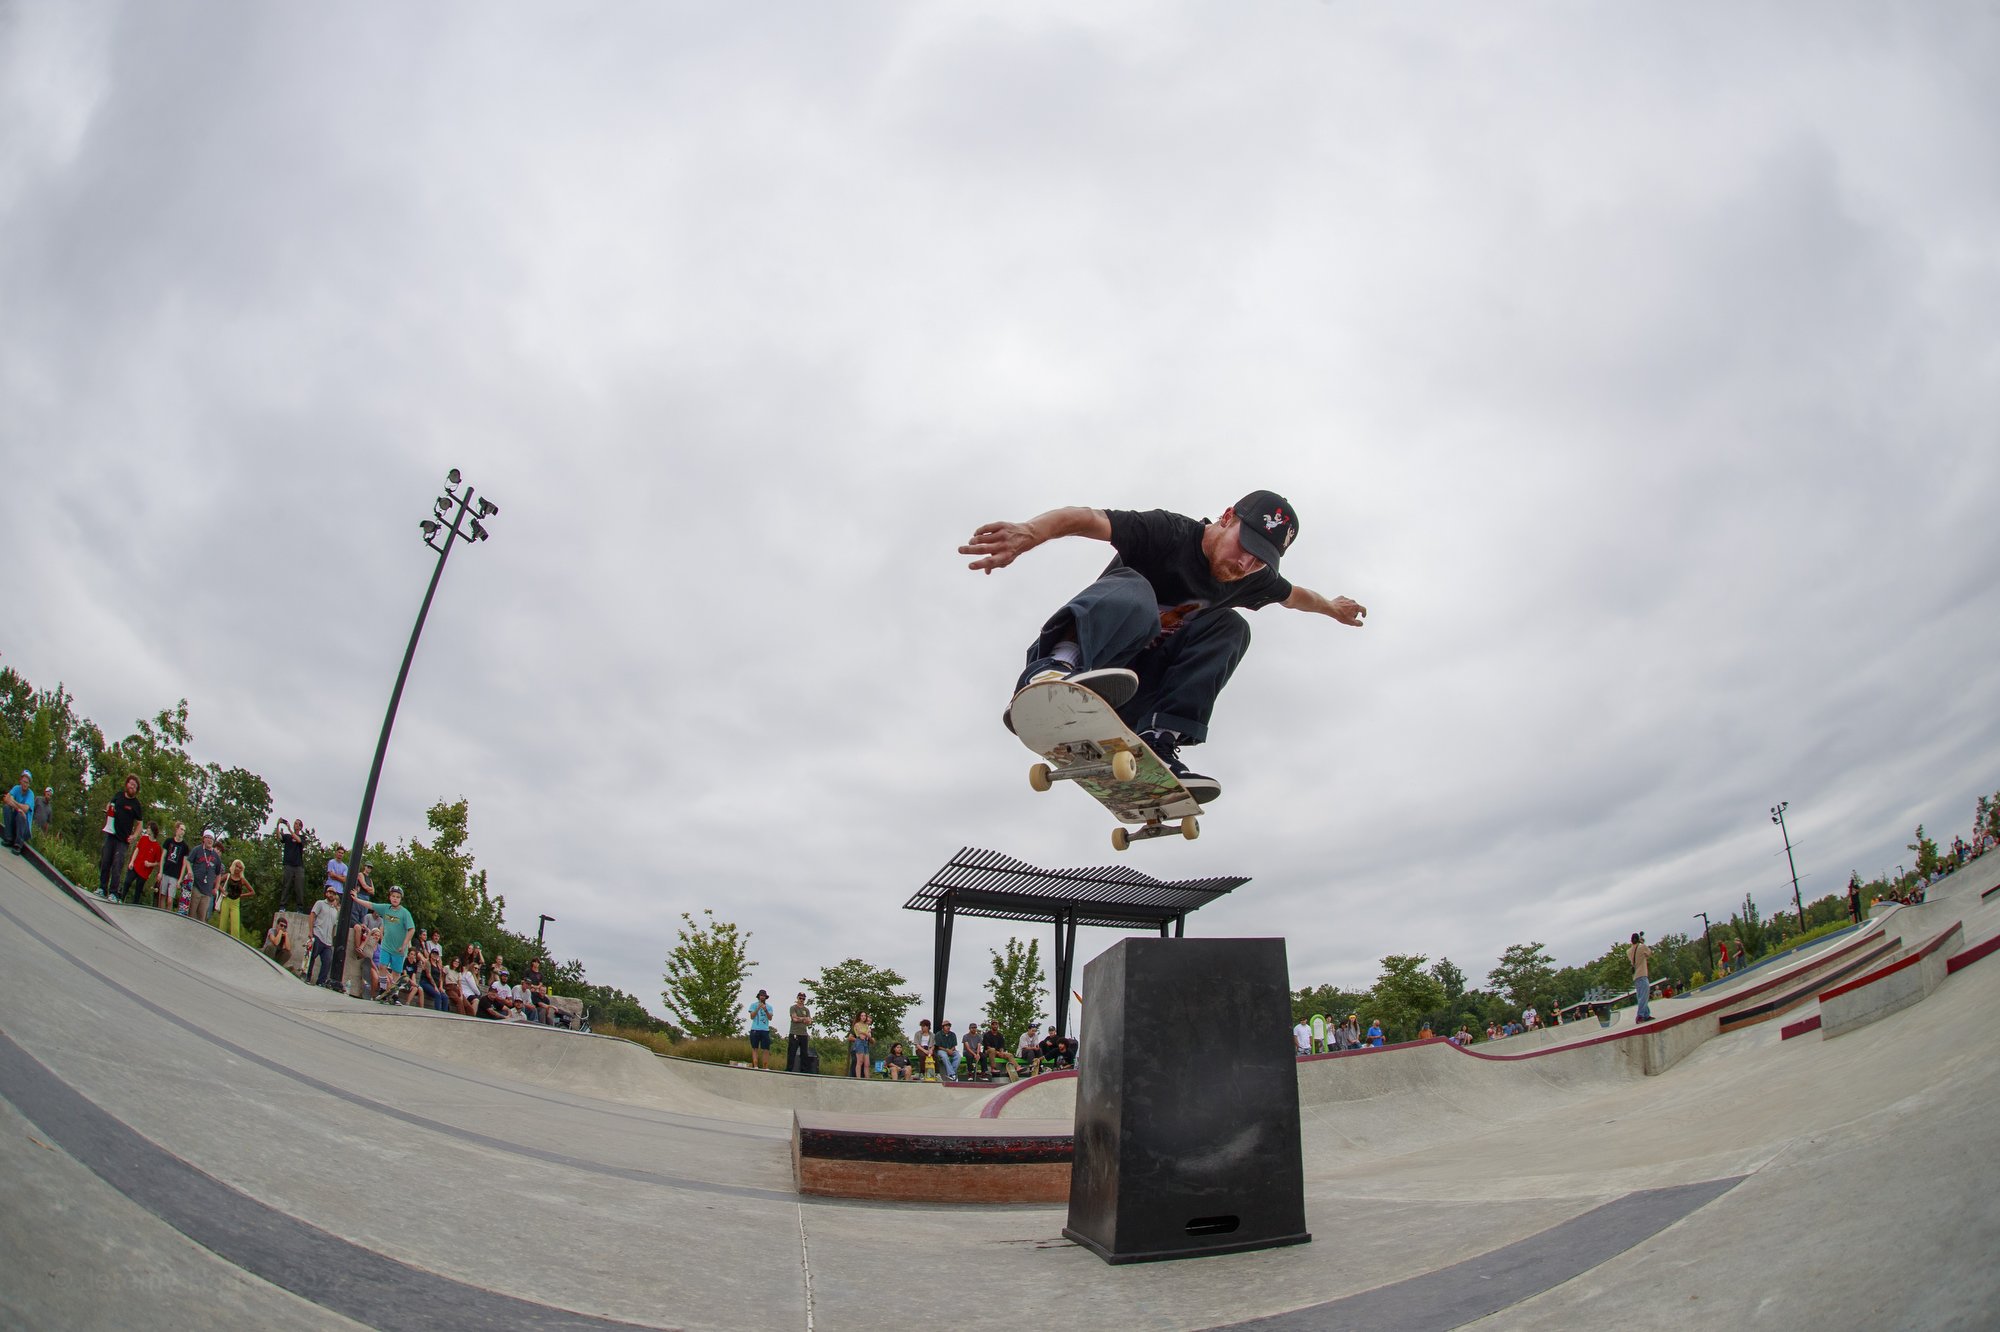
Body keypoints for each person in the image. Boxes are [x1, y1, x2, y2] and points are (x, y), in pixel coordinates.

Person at [960, 491, 1366, 801]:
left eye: (1260, 561)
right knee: (1136, 590)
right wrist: (1029, 533)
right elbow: (1087, 518)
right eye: (1246, 548)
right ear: (1226, 519)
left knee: (1231, 627)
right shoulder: (1169, 533)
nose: (1245, 565)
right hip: (1090, 660)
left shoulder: (1251, 579)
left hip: (1129, 689)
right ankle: (1051, 672)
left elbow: (1295, 596)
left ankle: (1159, 741)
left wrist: (1332, 607)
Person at [97, 775, 143, 898]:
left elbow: (140, 824)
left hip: (123, 839)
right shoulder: (118, 795)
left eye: (135, 786)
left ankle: (113, 892)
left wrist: (134, 836)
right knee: (105, 861)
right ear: (127, 784)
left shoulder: (136, 804)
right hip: (111, 834)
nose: (132, 787)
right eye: (131, 784)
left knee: (117, 865)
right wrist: (108, 809)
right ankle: (102, 888)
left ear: (136, 790)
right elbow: (110, 805)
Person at [369, 885, 418, 998]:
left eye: (398, 897)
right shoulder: (386, 908)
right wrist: (356, 898)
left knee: (396, 972)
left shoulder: (405, 913)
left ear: (400, 899)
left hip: (399, 949)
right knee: (382, 966)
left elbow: (412, 929)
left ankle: (395, 995)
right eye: (393, 896)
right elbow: (371, 905)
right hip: (387, 946)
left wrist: (404, 944)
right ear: (390, 897)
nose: (395, 899)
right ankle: (382, 989)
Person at [120, 822, 163, 904]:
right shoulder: (143, 838)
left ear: (153, 830)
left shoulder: (157, 847)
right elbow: (137, 850)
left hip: (144, 872)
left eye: (149, 828)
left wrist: (150, 864)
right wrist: (132, 861)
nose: (147, 829)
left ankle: (134, 905)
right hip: (136, 866)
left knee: (138, 890)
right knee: (127, 882)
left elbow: (158, 862)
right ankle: (121, 899)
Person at [306, 884, 341, 985]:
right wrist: (310, 931)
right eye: (329, 892)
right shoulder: (320, 903)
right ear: (326, 893)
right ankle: (307, 977)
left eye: (333, 893)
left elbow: (334, 925)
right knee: (312, 957)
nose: (331, 895)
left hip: (328, 940)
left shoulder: (335, 911)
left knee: (327, 961)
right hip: (318, 934)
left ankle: (320, 981)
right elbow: (312, 915)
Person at [212, 860, 255, 940]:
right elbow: (216, 882)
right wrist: (223, 891)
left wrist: (241, 895)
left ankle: (235, 943)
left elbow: (252, 892)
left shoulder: (242, 879)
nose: (238, 869)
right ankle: (219, 940)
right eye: (237, 866)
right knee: (223, 923)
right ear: (233, 866)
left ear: (242, 870)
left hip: (235, 902)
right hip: (226, 900)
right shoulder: (228, 875)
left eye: (240, 868)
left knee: (235, 926)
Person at [187, 829, 223, 922]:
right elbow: (187, 860)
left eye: (211, 838)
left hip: (207, 891)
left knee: (202, 917)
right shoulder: (197, 849)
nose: (209, 840)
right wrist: (189, 871)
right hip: (196, 886)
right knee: (191, 913)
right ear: (203, 839)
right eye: (207, 837)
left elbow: (218, 873)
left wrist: (216, 887)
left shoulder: (216, 856)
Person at [155, 822, 192, 912]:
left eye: (184, 830)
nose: (182, 832)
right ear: (177, 829)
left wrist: (180, 879)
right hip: (166, 871)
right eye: (181, 829)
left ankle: (168, 915)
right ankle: (160, 914)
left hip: (175, 875)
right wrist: (160, 871)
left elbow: (184, 864)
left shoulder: (185, 846)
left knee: (170, 899)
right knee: (162, 895)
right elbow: (163, 857)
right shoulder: (169, 841)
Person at [277, 818, 309, 912]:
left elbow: (299, 840)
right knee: (286, 885)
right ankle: (282, 906)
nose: (295, 825)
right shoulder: (287, 837)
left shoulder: (302, 837)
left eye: (297, 824)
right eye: (294, 823)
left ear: (300, 827)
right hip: (288, 865)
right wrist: (278, 825)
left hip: (298, 866)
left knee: (299, 887)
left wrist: (290, 829)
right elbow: (279, 837)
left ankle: (300, 908)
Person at [2, 771, 35, 852]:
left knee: (21, 814)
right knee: (6, 807)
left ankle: (18, 845)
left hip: (25, 829)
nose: (25, 784)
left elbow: (26, 809)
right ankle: (9, 838)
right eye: (24, 782)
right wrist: (18, 808)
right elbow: (6, 799)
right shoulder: (16, 788)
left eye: (27, 783)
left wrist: (14, 802)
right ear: (20, 781)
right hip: (16, 822)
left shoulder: (30, 794)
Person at [1628, 932, 1653, 1022]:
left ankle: (1646, 1015)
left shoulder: (1629, 951)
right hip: (1642, 974)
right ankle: (1640, 1015)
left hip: (1635, 976)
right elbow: (1649, 953)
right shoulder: (1642, 947)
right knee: (1644, 996)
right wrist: (1642, 943)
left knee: (1641, 996)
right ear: (1638, 939)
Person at [747, 989, 775, 1068]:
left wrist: (765, 1010)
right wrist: (758, 1008)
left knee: (766, 1049)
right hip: (755, 1029)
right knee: (755, 1048)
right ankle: (755, 1065)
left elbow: (770, 1018)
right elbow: (752, 1016)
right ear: (759, 996)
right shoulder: (753, 1005)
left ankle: (765, 1066)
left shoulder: (769, 1007)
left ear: (766, 997)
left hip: (765, 1030)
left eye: (764, 996)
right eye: (761, 995)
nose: (762, 997)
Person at [787, 992, 813, 1073]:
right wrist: (803, 1019)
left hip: (804, 1034)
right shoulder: (793, 1008)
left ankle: (804, 1070)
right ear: (797, 998)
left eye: (803, 999)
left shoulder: (806, 1010)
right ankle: (789, 1069)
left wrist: (801, 1019)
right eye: (800, 998)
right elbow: (794, 1019)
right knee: (792, 1052)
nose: (801, 1000)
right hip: (794, 1033)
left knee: (804, 1053)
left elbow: (809, 1021)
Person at [849, 1011, 873, 1079]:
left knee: (867, 1063)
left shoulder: (866, 1025)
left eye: (865, 1016)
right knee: (860, 1061)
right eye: (862, 1016)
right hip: (859, 1042)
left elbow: (869, 1036)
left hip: (865, 1043)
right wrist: (866, 1033)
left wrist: (866, 1033)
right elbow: (861, 1035)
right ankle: (858, 1077)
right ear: (859, 1016)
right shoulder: (857, 1024)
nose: (863, 1017)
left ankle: (867, 1078)